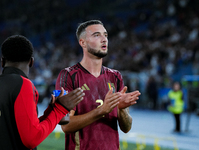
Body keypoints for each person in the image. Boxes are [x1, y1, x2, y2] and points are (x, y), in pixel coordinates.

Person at [55, 20, 141, 150]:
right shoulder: (68, 75)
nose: (104, 39)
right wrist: (101, 110)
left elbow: (126, 128)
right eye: (97, 35)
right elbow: (65, 125)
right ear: (82, 42)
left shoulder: (115, 76)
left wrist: (122, 109)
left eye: (105, 35)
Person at [0, 35, 85, 150]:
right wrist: (60, 109)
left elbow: (20, 127)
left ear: (2, 61)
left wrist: (51, 111)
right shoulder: (23, 84)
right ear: (31, 62)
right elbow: (31, 139)